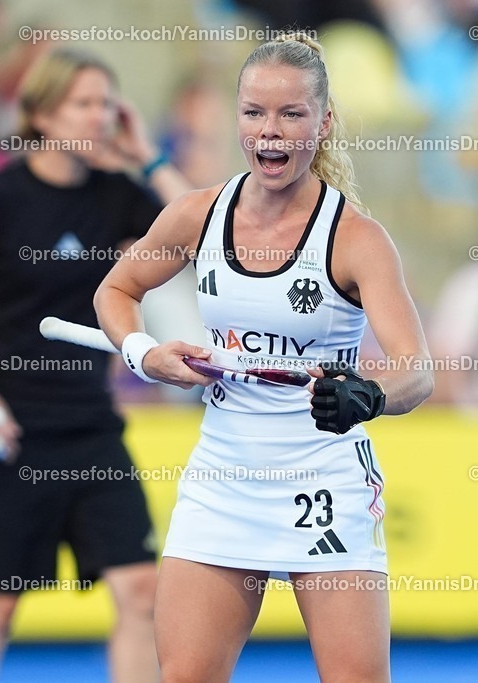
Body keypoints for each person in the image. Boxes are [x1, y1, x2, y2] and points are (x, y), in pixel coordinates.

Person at [95, 33, 433, 683]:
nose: (270, 132)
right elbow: (115, 290)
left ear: (324, 121)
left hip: (323, 482)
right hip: (223, 479)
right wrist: (143, 353)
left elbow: (416, 368)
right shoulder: (196, 215)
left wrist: (369, 393)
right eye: (254, 113)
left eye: (291, 114)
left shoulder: (357, 239)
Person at [0, 48, 190, 683]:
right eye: (83, 103)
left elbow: (197, 235)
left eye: (106, 102)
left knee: (142, 592)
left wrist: (146, 155)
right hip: (8, 434)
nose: (99, 115)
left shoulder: (116, 197)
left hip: (91, 428)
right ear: (41, 114)